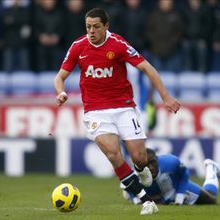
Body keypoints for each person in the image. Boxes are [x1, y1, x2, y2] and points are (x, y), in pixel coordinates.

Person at [54, 8, 180, 215]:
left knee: (139, 157)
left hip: (123, 107)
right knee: (114, 155)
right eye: (88, 27)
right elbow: (60, 77)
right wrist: (61, 92)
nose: (91, 31)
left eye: (96, 27)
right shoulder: (78, 47)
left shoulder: (118, 45)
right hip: (95, 111)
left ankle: (139, 169)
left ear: (106, 26)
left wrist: (165, 96)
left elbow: (147, 68)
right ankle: (146, 200)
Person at [121, 148, 220, 205]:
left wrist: (179, 197)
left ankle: (211, 167)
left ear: (157, 160)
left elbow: (184, 174)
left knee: (212, 200)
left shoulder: (171, 162)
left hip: (176, 187)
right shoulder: (135, 173)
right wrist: (136, 200)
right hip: (161, 196)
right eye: (147, 164)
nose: (151, 167)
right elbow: (128, 187)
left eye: (153, 162)